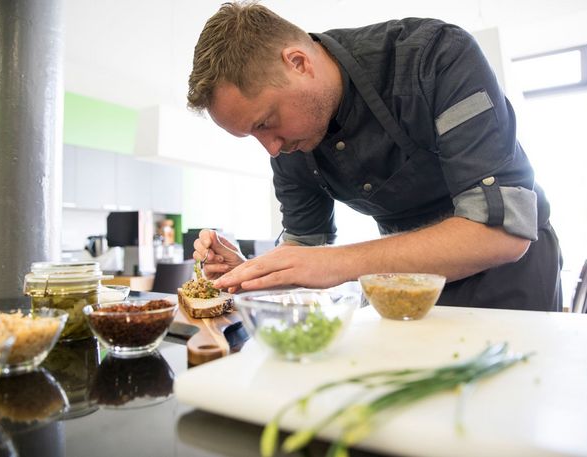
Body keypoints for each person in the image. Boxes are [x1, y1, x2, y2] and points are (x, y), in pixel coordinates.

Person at [186, 1, 563, 311]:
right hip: (399, 283)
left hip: (507, 279)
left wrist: (338, 263)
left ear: (298, 63)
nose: (270, 148)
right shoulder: (289, 141)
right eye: (252, 134)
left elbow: (501, 234)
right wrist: (250, 272)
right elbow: (305, 247)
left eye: (266, 123)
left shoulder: (434, 56)